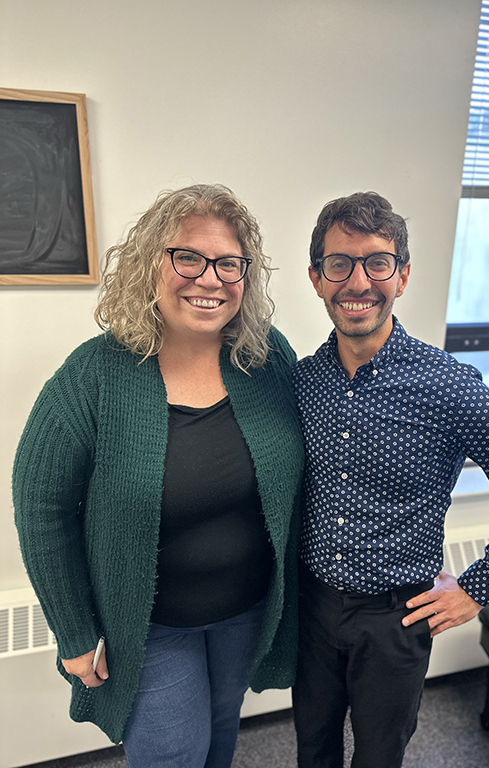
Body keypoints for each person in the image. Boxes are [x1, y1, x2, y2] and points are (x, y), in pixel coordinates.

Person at [13, 184, 304, 768]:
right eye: (189, 257)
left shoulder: (266, 358)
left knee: (222, 736)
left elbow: (310, 468)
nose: (211, 278)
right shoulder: (94, 375)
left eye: (229, 263)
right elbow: (40, 505)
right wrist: (72, 630)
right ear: (151, 265)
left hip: (245, 611)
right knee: (171, 753)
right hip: (150, 625)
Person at [291, 191, 489, 768]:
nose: (358, 281)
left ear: (403, 275)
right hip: (312, 608)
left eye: (377, 263)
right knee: (312, 748)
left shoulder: (447, 385)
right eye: (339, 263)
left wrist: (476, 589)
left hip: (396, 620)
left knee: (378, 756)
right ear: (317, 278)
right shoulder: (302, 382)